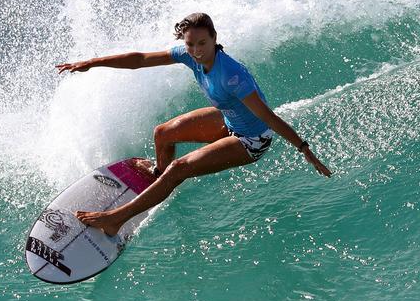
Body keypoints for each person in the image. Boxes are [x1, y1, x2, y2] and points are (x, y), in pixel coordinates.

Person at [56, 13, 331, 236]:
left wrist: (304, 149)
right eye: (190, 44)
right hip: (227, 118)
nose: (196, 51)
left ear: (214, 39)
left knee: (181, 168)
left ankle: (116, 218)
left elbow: (268, 117)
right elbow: (140, 60)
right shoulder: (188, 55)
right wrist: (92, 63)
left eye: (202, 43)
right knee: (163, 134)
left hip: (252, 140)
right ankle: (158, 178)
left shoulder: (232, 76)